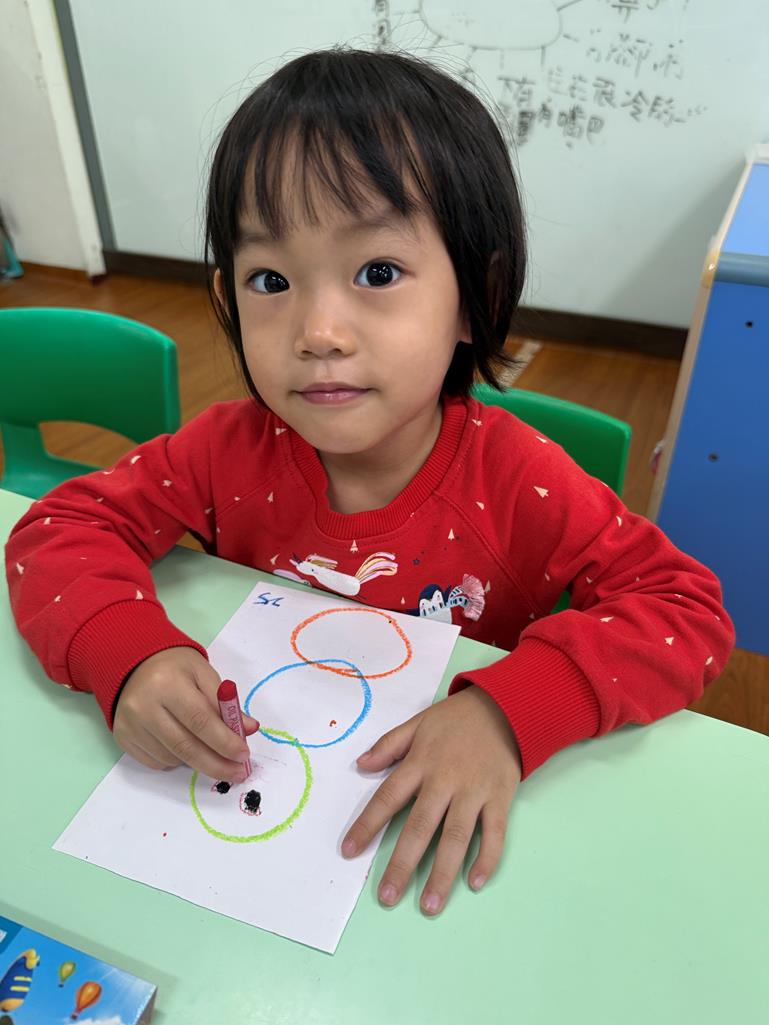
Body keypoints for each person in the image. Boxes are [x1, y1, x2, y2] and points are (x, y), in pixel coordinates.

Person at [5, 48, 734, 917]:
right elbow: (60, 529)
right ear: (228, 299)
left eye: (377, 273)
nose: (318, 331)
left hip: (430, 860)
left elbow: (684, 610)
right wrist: (127, 654)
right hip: (256, 844)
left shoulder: (518, 481)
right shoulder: (224, 450)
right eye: (271, 280)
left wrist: (510, 713)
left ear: (473, 296)